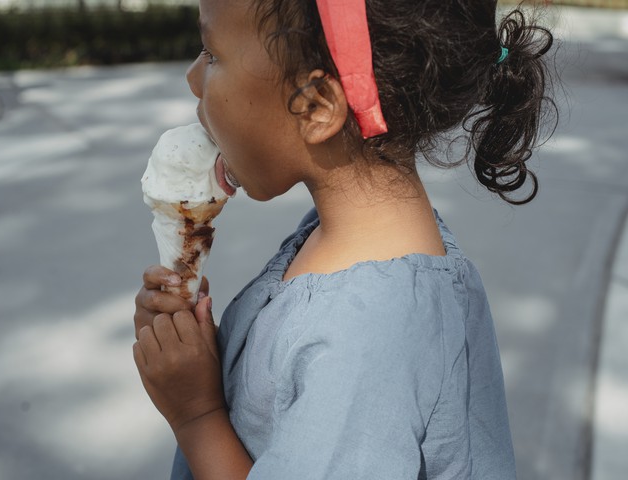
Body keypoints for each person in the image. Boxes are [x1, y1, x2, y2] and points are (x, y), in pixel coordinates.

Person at [132, 0, 556, 478]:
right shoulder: (350, 243)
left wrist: (196, 415)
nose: (193, 77)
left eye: (211, 54)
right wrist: (195, 351)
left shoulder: (369, 333)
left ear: (316, 106)